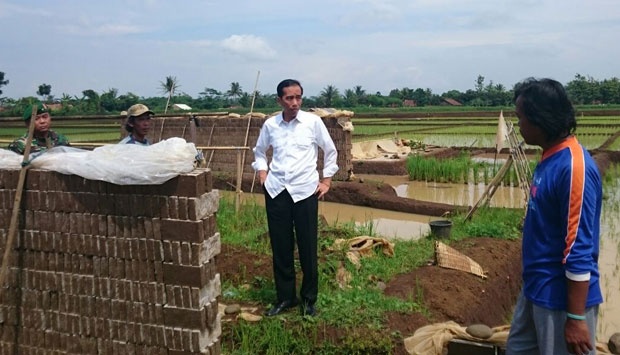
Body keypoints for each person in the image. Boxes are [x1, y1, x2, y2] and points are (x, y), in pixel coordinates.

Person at [506, 78, 602, 355]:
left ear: (540, 120)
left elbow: (578, 247)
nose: (519, 125)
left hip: (561, 299)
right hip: (536, 286)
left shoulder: (573, 168)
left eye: (521, 118)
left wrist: (575, 318)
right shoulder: (549, 157)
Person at [252, 79, 338, 317]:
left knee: (308, 247)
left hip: (305, 191)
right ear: (279, 100)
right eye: (289, 98)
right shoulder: (271, 125)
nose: (294, 103)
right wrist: (262, 173)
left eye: (298, 97)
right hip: (276, 190)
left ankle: (309, 300)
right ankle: (285, 297)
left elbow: (330, 151)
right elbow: (259, 152)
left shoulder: (313, 122)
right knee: (281, 247)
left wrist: (327, 180)